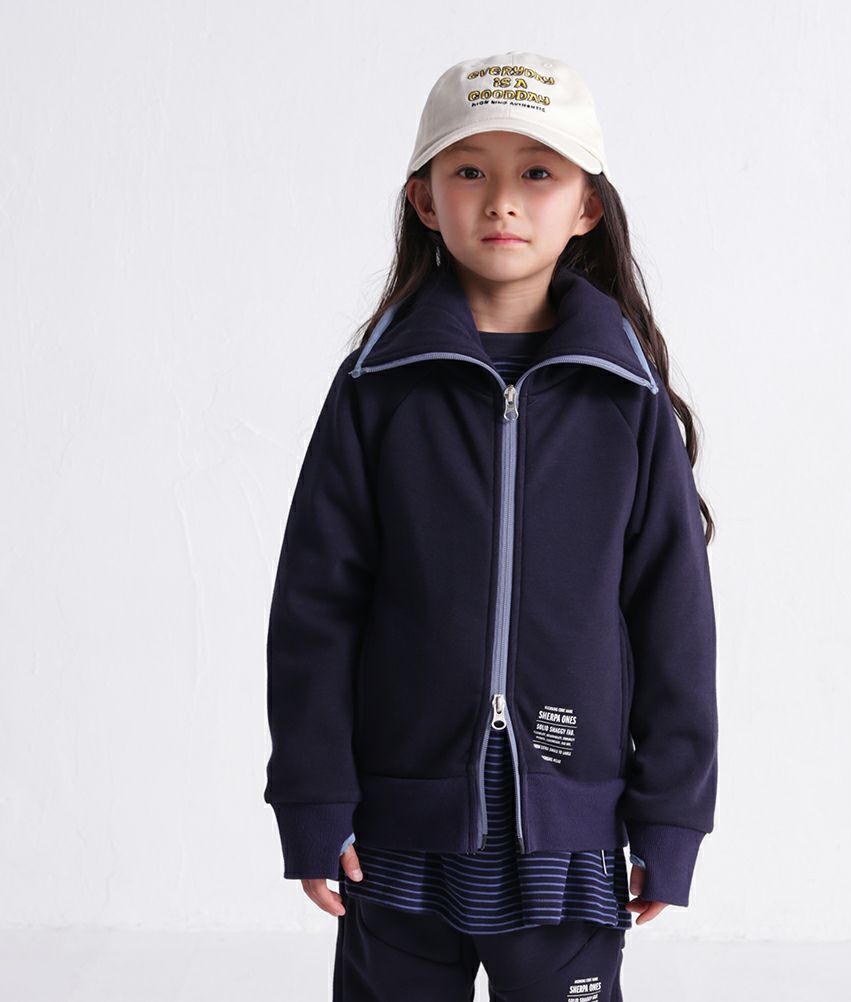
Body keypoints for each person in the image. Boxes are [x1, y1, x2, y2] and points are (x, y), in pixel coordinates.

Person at [263, 50, 719, 1000]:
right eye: (470, 170)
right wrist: (312, 797)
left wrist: (669, 819)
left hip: (569, 837)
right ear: (425, 200)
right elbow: (315, 609)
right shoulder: (377, 387)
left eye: (537, 173)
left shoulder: (624, 397)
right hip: (397, 834)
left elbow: (674, 621)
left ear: (587, 206)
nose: (503, 201)